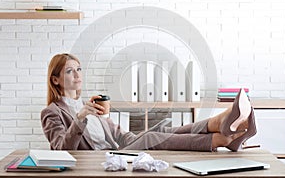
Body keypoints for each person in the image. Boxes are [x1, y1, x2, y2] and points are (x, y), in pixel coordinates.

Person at [41, 53, 257, 152]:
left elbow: (118, 134)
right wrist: (80, 118)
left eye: (79, 69)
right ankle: (222, 137)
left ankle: (221, 124)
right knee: (154, 137)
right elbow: (62, 148)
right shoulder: (52, 112)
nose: (77, 74)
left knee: (160, 128)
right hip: (104, 157)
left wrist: (131, 135)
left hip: (120, 146)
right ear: (56, 79)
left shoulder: (86, 104)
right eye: (69, 71)